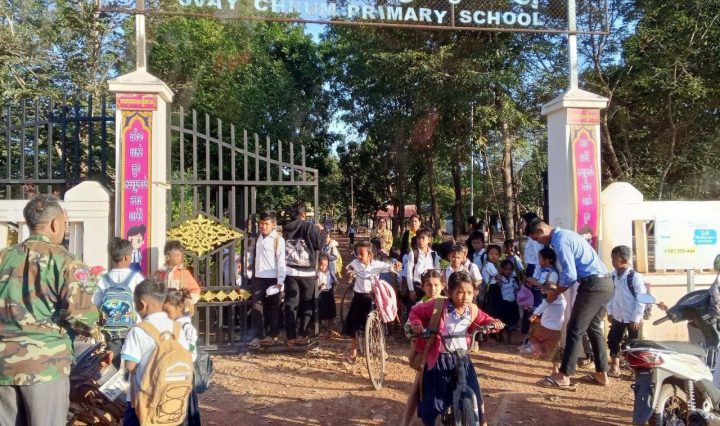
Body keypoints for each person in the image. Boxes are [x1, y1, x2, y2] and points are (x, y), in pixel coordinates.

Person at [0, 194, 100, 426]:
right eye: (65, 223)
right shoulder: (66, 262)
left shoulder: (3, 257)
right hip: (45, 365)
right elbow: (81, 316)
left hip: (3, 365)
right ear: (55, 223)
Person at [408, 271, 504, 426]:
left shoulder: (472, 309)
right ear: (449, 292)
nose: (465, 297)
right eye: (460, 292)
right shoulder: (438, 306)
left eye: (469, 293)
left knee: (475, 394)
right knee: (433, 402)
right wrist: (417, 324)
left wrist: (493, 323)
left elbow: (485, 319)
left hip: (462, 358)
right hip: (439, 359)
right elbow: (416, 312)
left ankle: (480, 421)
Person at [527, 218, 612, 387]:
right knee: (593, 327)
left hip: (592, 285)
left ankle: (564, 375)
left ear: (541, 231)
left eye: (537, 239)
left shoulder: (560, 240)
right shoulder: (567, 235)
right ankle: (602, 374)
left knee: (574, 328)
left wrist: (554, 293)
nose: (540, 243)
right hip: (605, 284)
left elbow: (570, 275)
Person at [120, 279, 190, 426]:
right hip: (172, 400)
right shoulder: (177, 328)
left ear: (142, 304)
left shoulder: (138, 330)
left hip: (144, 402)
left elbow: (130, 365)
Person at [401, 270, 445, 426]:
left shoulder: (447, 303)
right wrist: (416, 330)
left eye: (436, 285)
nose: (433, 288)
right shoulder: (420, 305)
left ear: (443, 286)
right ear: (423, 287)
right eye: (429, 285)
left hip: (446, 351)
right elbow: (408, 327)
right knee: (417, 388)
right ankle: (405, 422)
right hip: (427, 353)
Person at [342, 241, 398, 363]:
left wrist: (395, 265)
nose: (358, 256)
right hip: (358, 297)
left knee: (376, 325)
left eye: (361, 254)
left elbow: (389, 266)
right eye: (357, 253)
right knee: (354, 326)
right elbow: (349, 268)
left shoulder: (377, 265)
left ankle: (381, 349)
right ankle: (353, 352)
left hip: (372, 297)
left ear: (370, 255)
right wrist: (350, 272)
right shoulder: (355, 263)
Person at [93, 238, 145, 368]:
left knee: (114, 366)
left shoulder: (103, 279)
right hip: (133, 330)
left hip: (111, 333)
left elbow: (96, 303)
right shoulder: (136, 278)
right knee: (132, 366)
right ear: (127, 257)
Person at [283, 202, 326, 345]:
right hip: (308, 272)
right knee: (307, 303)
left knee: (291, 303)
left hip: (290, 271)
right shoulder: (309, 227)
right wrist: (322, 231)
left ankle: (290, 337)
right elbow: (320, 244)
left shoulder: (286, 229)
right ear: (303, 214)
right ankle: (303, 334)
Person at [607, 245, 646, 378]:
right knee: (613, 340)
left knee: (635, 344)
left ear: (623, 260)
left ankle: (635, 371)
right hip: (618, 316)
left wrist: (636, 318)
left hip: (632, 316)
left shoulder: (635, 277)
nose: (612, 261)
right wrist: (610, 311)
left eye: (614, 259)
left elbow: (641, 298)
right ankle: (615, 367)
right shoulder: (612, 276)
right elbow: (610, 296)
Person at [248, 210, 286, 348]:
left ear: (273, 225)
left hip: (272, 278)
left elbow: (281, 261)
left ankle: (272, 335)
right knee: (256, 306)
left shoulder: (278, 240)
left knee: (272, 308)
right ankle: (257, 336)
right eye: (261, 223)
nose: (263, 226)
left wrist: (280, 282)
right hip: (259, 278)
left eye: (266, 224)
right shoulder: (258, 237)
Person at [163, 289, 200, 426]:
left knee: (183, 412)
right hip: (172, 376)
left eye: (167, 311)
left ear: (179, 307)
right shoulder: (169, 326)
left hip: (182, 376)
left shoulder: (186, 328)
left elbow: (192, 353)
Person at [528, 281, 567, 377]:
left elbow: (543, 306)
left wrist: (534, 314)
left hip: (545, 327)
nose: (543, 295)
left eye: (544, 293)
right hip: (557, 329)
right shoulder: (563, 300)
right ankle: (555, 369)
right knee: (555, 348)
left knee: (534, 338)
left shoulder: (548, 300)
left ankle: (537, 350)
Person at [406, 227, 441, 303]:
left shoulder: (434, 254)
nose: (420, 240)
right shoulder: (413, 254)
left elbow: (437, 272)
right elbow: (409, 273)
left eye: (423, 238)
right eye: (418, 238)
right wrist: (411, 289)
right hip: (417, 287)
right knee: (416, 307)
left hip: (430, 287)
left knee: (431, 307)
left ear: (429, 239)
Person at [497, 259, 520, 344]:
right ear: (502, 269)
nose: (508, 271)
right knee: (502, 321)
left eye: (510, 269)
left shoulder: (513, 279)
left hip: (512, 303)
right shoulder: (500, 279)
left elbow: (517, 289)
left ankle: (509, 339)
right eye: (506, 269)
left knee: (511, 321)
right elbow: (497, 287)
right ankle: (501, 337)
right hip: (503, 304)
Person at [317, 253, 339, 337]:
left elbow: (335, 282)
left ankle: (330, 330)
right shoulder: (317, 274)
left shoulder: (330, 273)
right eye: (322, 265)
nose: (323, 267)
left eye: (325, 265)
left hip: (329, 293)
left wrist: (334, 285)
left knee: (331, 313)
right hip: (320, 294)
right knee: (319, 313)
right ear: (318, 264)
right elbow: (315, 285)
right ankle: (319, 330)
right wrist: (319, 286)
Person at [481, 245, 503, 323]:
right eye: (491, 254)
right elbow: (498, 276)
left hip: (492, 287)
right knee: (493, 308)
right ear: (487, 255)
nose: (494, 256)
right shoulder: (489, 265)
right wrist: (506, 280)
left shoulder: (493, 264)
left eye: (496, 254)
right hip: (492, 288)